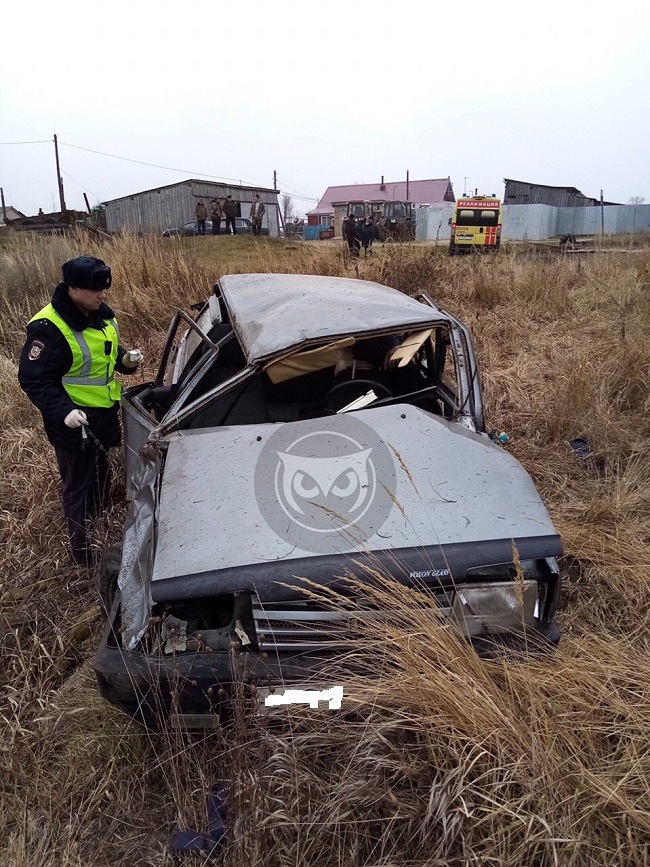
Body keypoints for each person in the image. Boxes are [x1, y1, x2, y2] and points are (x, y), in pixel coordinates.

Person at [18, 256, 142, 566]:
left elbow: (103, 354)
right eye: (95, 290)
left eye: (104, 289)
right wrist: (63, 412)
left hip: (100, 415)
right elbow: (34, 379)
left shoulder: (101, 314)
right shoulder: (49, 328)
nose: (102, 295)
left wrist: (125, 361)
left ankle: (99, 530)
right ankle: (83, 554)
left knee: (100, 475)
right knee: (79, 485)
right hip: (73, 422)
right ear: (73, 289)